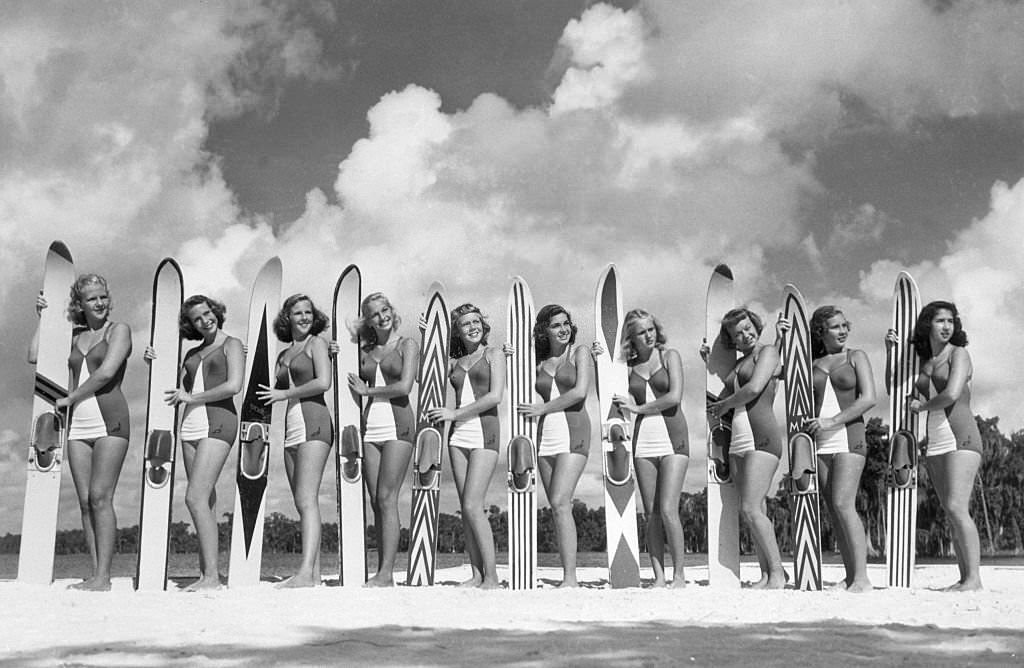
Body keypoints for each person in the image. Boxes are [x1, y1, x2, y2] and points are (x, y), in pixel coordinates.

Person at [31, 275, 132, 591]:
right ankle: (95, 573)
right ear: (80, 304)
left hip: (111, 420)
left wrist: (72, 397)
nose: (100, 303)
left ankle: (104, 577)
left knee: (102, 496)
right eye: (92, 299)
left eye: (103, 297)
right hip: (78, 426)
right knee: (86, 501)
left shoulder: (119, 331)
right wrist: (43, 319)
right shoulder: (73, 335)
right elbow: (35, 355)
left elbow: (106, 372)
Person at [149, 295, 243, 591]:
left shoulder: (232, 344)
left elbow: (233, 386)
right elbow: (176, 390)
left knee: (194, 497)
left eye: (208, 313)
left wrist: (192, 398)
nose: (206, 320)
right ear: (191, 324)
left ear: (216, 311)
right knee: (206, 500)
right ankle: (207, 573)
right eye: (197, 318)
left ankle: (212, 577)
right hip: (189, 425)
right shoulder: (191, 353)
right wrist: (156, 360)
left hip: (219, 420)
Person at [779, 305, 875, 592]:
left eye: (845, 325)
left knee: (845, 504)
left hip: (848, 434)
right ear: (821, 331)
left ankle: (862, 579)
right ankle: (849, 575)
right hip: (817, 441)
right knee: (834, 509)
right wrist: (780, 338)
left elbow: (869, 398)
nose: (843, 330)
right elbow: (774, 373)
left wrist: (832, 420)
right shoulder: (809, 364)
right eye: (836, 326)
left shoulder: (856, 356)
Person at [889, 300, 983, 591]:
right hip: (935, 441)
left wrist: (922, 406)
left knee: (957, 506)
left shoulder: (959, 354)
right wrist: (891, 353)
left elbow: (952, 392)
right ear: (927, 324)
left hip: (961, 435)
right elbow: (894, 388)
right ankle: (964, 577)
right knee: (949, 509)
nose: (946, 326)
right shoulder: (923, 362)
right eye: (940, 321)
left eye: (951, 321)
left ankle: (974, 579)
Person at [705, 307, 786, 589]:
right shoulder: (738, 365)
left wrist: (725, 404)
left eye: (748, 328)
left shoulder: (768, 353)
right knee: (755, 508)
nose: (745, 334)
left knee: (751, 508)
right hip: (738, 441)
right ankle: (766, 574)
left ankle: (778, 573)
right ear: (732, 340)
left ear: (757, 327)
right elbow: (723, 395)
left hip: (762, 437)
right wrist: (709, 362)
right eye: (737, 333)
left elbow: (753, 389)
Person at [426, 304, 504, 589]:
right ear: (456, 331)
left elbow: (496, 397)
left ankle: (492, 577)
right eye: (464, 324)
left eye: (475, 322)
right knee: (465, 506)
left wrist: (455, 414)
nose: (471, 327)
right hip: (457, 437)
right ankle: (476, 574)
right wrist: (429, 335)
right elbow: (426, 374)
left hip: (485, 433)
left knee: (473, 505)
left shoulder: (494, 354)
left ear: (483, 325)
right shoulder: (454, 363)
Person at [257, 294, 333, 588]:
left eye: (308, 313)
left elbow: (323, 382)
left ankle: (304, 573)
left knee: (306, 498)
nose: (303, 317)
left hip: (315, 422)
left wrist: (285, 394)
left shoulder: (317, 344)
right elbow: (269, 389)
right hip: (290, 428)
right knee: (302, 503)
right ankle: (311, 573)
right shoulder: (282, 355)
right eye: (297, 313)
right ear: (287, 318)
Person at [611, 309, 689, 588]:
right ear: (632, 337)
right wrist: (601, 354)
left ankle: (679, 576)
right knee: (651, 513)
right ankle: (658, 576)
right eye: (642, 331)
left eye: (652, 328)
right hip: (643, 441)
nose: (649, 335)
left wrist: (639, 408)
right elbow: (610, 389)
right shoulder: (627, 368)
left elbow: (674, 397)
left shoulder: (670, 356)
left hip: (674, 439)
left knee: (668, 509)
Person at [516, 304, 593, 588]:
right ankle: (567, 573)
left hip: (575, 432)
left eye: (565, 324)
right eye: (555, 326)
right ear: (544, 332)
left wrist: (543, 407)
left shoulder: (580, 352)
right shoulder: (536, 361)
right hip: (544, 435)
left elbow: (580, 391)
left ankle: (570, 578)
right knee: (556, 506)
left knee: (561, 501)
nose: (563, 330)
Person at [348, 292, 419, 587]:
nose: (382, 316)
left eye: (386, 309)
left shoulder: (407, 344)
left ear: (393, 311)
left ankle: (387, 573)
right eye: (375, 313)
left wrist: (369, 393)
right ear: (368, 320)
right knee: (376, 501)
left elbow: (404, 386)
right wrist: (337, 350)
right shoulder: (363, 351)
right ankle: (380, 568)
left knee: (388, 498)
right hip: (369, 428)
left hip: (398, 426)